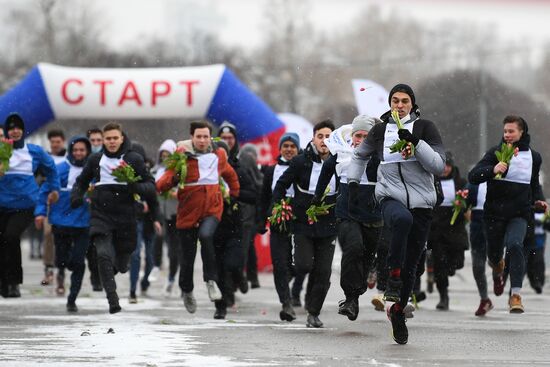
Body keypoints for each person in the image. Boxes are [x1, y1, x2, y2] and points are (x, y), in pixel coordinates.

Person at [348, 84, 445, 344]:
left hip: (423, 201)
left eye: (404, 101)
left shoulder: (426, 127)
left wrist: (416, 142)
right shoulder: (380, 131)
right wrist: (353, 183)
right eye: (395, 100)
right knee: (401, 220)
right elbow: (359, 156)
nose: (399, 105)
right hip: (390, 195)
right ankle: (391, 278)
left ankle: (398, 311)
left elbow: (438, 164)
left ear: (412, 104)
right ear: (390, 104)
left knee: (413, 262)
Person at [71, 122, 156, 314]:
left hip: (126, 217)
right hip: (101, 215)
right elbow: (82, 181)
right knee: (102, 254)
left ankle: (114, 268)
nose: (111, 142)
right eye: (107, 139)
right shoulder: (95, 160)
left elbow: (151, 185)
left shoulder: (134, 159)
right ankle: (113, 299)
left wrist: (135, 187)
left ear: (121, 138)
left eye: (114, 138)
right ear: (103, 140)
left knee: (123, 264)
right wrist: (76, 196)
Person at [156, 121, 240, 314]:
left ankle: (211, 280)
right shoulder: (182, 157)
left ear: (210, 137)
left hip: (212, 210)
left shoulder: (218, 155)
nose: (202, 140)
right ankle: (187, 290)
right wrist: (174, 179)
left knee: (206, 235)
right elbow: (162, 184)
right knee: (187, 257)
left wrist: (234, 195)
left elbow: (231, 175)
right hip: (187, 214)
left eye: (205, 136)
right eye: (198, 137)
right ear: (192, 138)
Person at [469, 115, 548, 313]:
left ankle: (516, 295)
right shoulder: (495, 153)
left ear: (522, 132)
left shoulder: (534, 157)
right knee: (494, 255)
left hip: (520, 213)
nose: (507, 135)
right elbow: (473, 176)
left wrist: (540, 200)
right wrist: (492, 169)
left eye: (511, 131)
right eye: (505, 131)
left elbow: (533, 184)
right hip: (494, 214)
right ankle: (497, 268)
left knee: (515, 245)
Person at [313, 116, 382, 322]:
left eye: (365, 136)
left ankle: (358, 289)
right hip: (347, 213)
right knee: (353, 248)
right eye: (358, 135)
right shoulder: (343, 153)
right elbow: (326, 171)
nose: (360, 139)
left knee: (367, 257)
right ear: (352, 136)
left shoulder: (380, 155)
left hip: (373, 215)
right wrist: (318, 197)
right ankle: (350, 298)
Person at [272, 120, 338, 328]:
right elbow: (280, 186)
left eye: (329, 137)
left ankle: (313, 312)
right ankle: (295, 293)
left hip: (329, 225)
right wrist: (281, 207)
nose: (324, 141)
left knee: (323, 272)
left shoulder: (341, 162)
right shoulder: (300, 161)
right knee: (304, 265)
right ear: (313, 139)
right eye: (320, 136)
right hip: (302, 224)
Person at [0, 113, 60, 298]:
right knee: (2, 242)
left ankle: (14, 283)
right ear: (6, 131)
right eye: (11, 128)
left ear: (23, 130)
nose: (15, 131)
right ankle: (4, 283)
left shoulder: (34, 151)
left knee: (10, 237)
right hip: (2, 205)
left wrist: (53, 189)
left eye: (18, 127)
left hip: (25, 205)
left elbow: (51, 169)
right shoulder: (1, 150)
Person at [35, 136, 92, 311]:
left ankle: (72, 298)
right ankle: (59, 271)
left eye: (82, 150)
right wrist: (40, 213)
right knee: (62, 260)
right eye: (75, 150)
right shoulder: (58, 170)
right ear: (70, 151)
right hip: (61, 222)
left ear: (88, 152)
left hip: (83, 223)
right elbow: (44, 192)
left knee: (79, 262)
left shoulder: (94, 171)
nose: (79, 153)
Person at [258, 132, 305, 321]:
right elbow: (263, 198)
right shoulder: (271, 170)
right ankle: (286, 304)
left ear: (298, 148)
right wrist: (261, 221)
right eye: (285, 146)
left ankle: (291, 280)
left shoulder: (304, 167)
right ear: (280, 149)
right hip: (278, 220)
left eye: (292, 146)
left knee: (298, 264)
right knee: (279, 263)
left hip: (299, 220)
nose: (289, 149)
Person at [427, 152, 468, 311]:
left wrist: (462, 204)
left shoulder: (461, 182)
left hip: (455, 228)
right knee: (439, 266)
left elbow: (468, 200)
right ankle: (443, 296)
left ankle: (451, 268)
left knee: (457, 262)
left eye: (448, 166)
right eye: (442, 166)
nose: (445, 169)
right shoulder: (431, 181)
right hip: (437, 229)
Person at [128, 143, 162, 304]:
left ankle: (145, 281)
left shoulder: (147, 176)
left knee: (149, 257)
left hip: (149, 222)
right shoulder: (124, 177)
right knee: (135, 255)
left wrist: (156, 219)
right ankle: (132, 290)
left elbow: (154, 201)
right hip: (134, 221)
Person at [153, 139, 179, 297]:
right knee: (157, 239)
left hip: (175, 214)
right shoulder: (156, 170)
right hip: (160, 213)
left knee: (174, 250)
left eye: (168, 155)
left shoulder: (179, 171)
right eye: (163, 156)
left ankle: (172, 277)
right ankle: (156, 265)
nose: (165, 159)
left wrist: (175, 193)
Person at [40, 129, 67, 287]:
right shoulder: (45, 159)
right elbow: (36, 177)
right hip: (50, 202)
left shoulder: (69, 159)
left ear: (63, 141)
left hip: (66, 203)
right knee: (48, 234)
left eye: (58, 142)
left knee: (64, 237)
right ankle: (49, 269)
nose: (55, 145)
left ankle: (62, 272)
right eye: (53, 142)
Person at [466, 181, 493, 316]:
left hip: (495, 222)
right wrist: (461, 202)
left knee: (495, 259)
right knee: (477, 266)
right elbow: (465, 199)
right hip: (477, 226)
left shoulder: (502, 177)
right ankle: (484, 299)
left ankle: (499, 276)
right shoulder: (476, 180)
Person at [85, 127, 103, 291]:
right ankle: (95, 276)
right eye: (93, 141)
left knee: (101, 245)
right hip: (85, 210)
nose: (96, 144)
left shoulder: (108, 159)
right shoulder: (83, 158)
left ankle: (101, 276)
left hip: (103, 209)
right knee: (90, 247)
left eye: (99, 140)